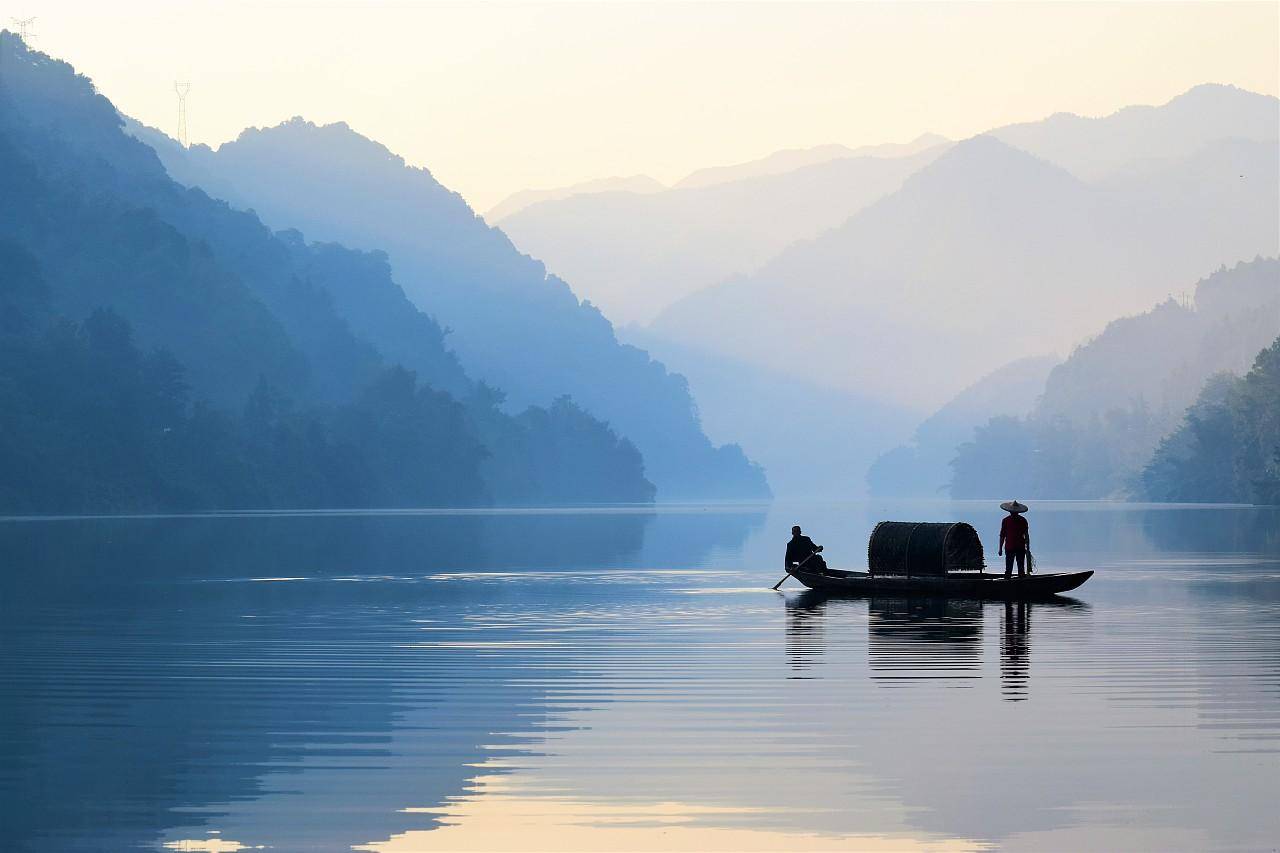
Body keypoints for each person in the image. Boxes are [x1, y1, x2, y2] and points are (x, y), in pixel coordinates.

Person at [997, 500, 1030, 577]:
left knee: (1009, 568)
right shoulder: (1022, 520)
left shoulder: (1006, 520)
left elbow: (1002, 535)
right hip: (1017, 546)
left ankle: (1009, 580)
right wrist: (1027, 547)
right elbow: (1026, 535)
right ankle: (1020, 582)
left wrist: (1000, 548)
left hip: (1012, 546)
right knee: (1020, 568)